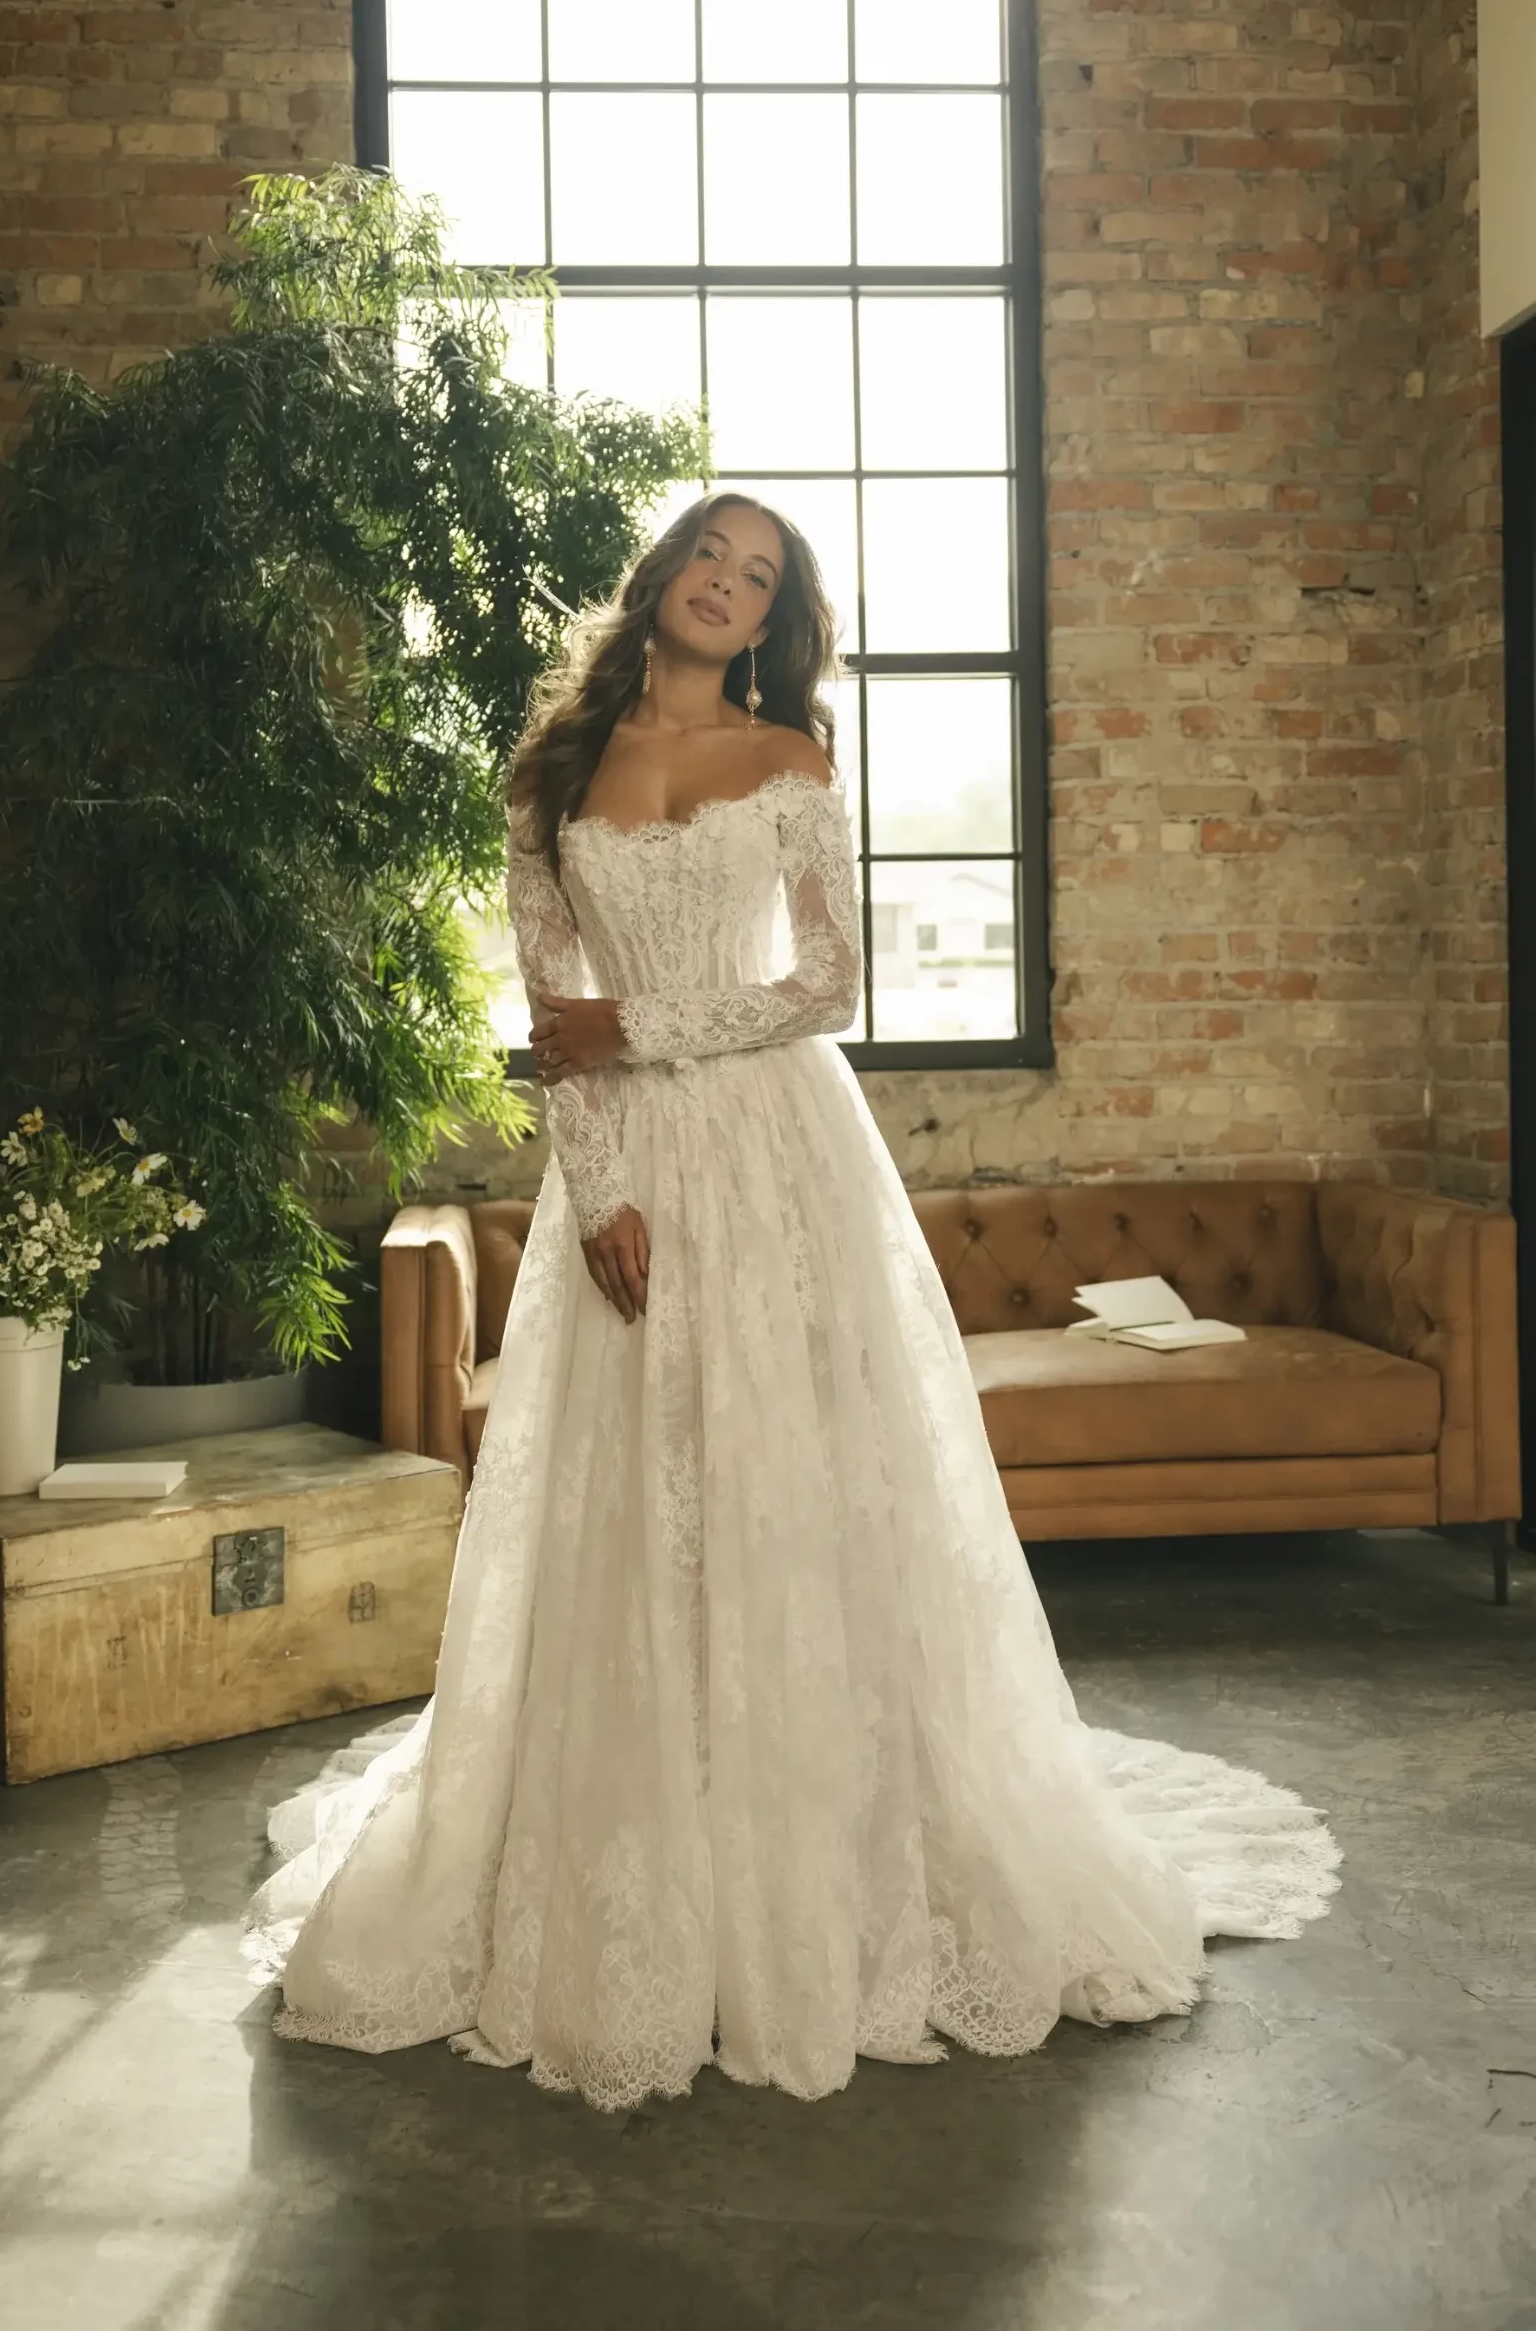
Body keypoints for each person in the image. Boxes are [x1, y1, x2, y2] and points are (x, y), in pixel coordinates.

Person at [241, 490, 1340, 2113]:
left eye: (761, 581)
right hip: (633, 1172)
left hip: (780, 1151)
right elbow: (560, 1020)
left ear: (770, 620)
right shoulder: (551, 776)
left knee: (799, 1482)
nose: (729, 589)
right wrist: (600, 1186)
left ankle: (828, 1849)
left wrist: (646, 1033)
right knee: (636, 1502)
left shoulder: (794, 764)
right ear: (666, 573)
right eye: (713, 557)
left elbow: (831, 984)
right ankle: (639, 1842)